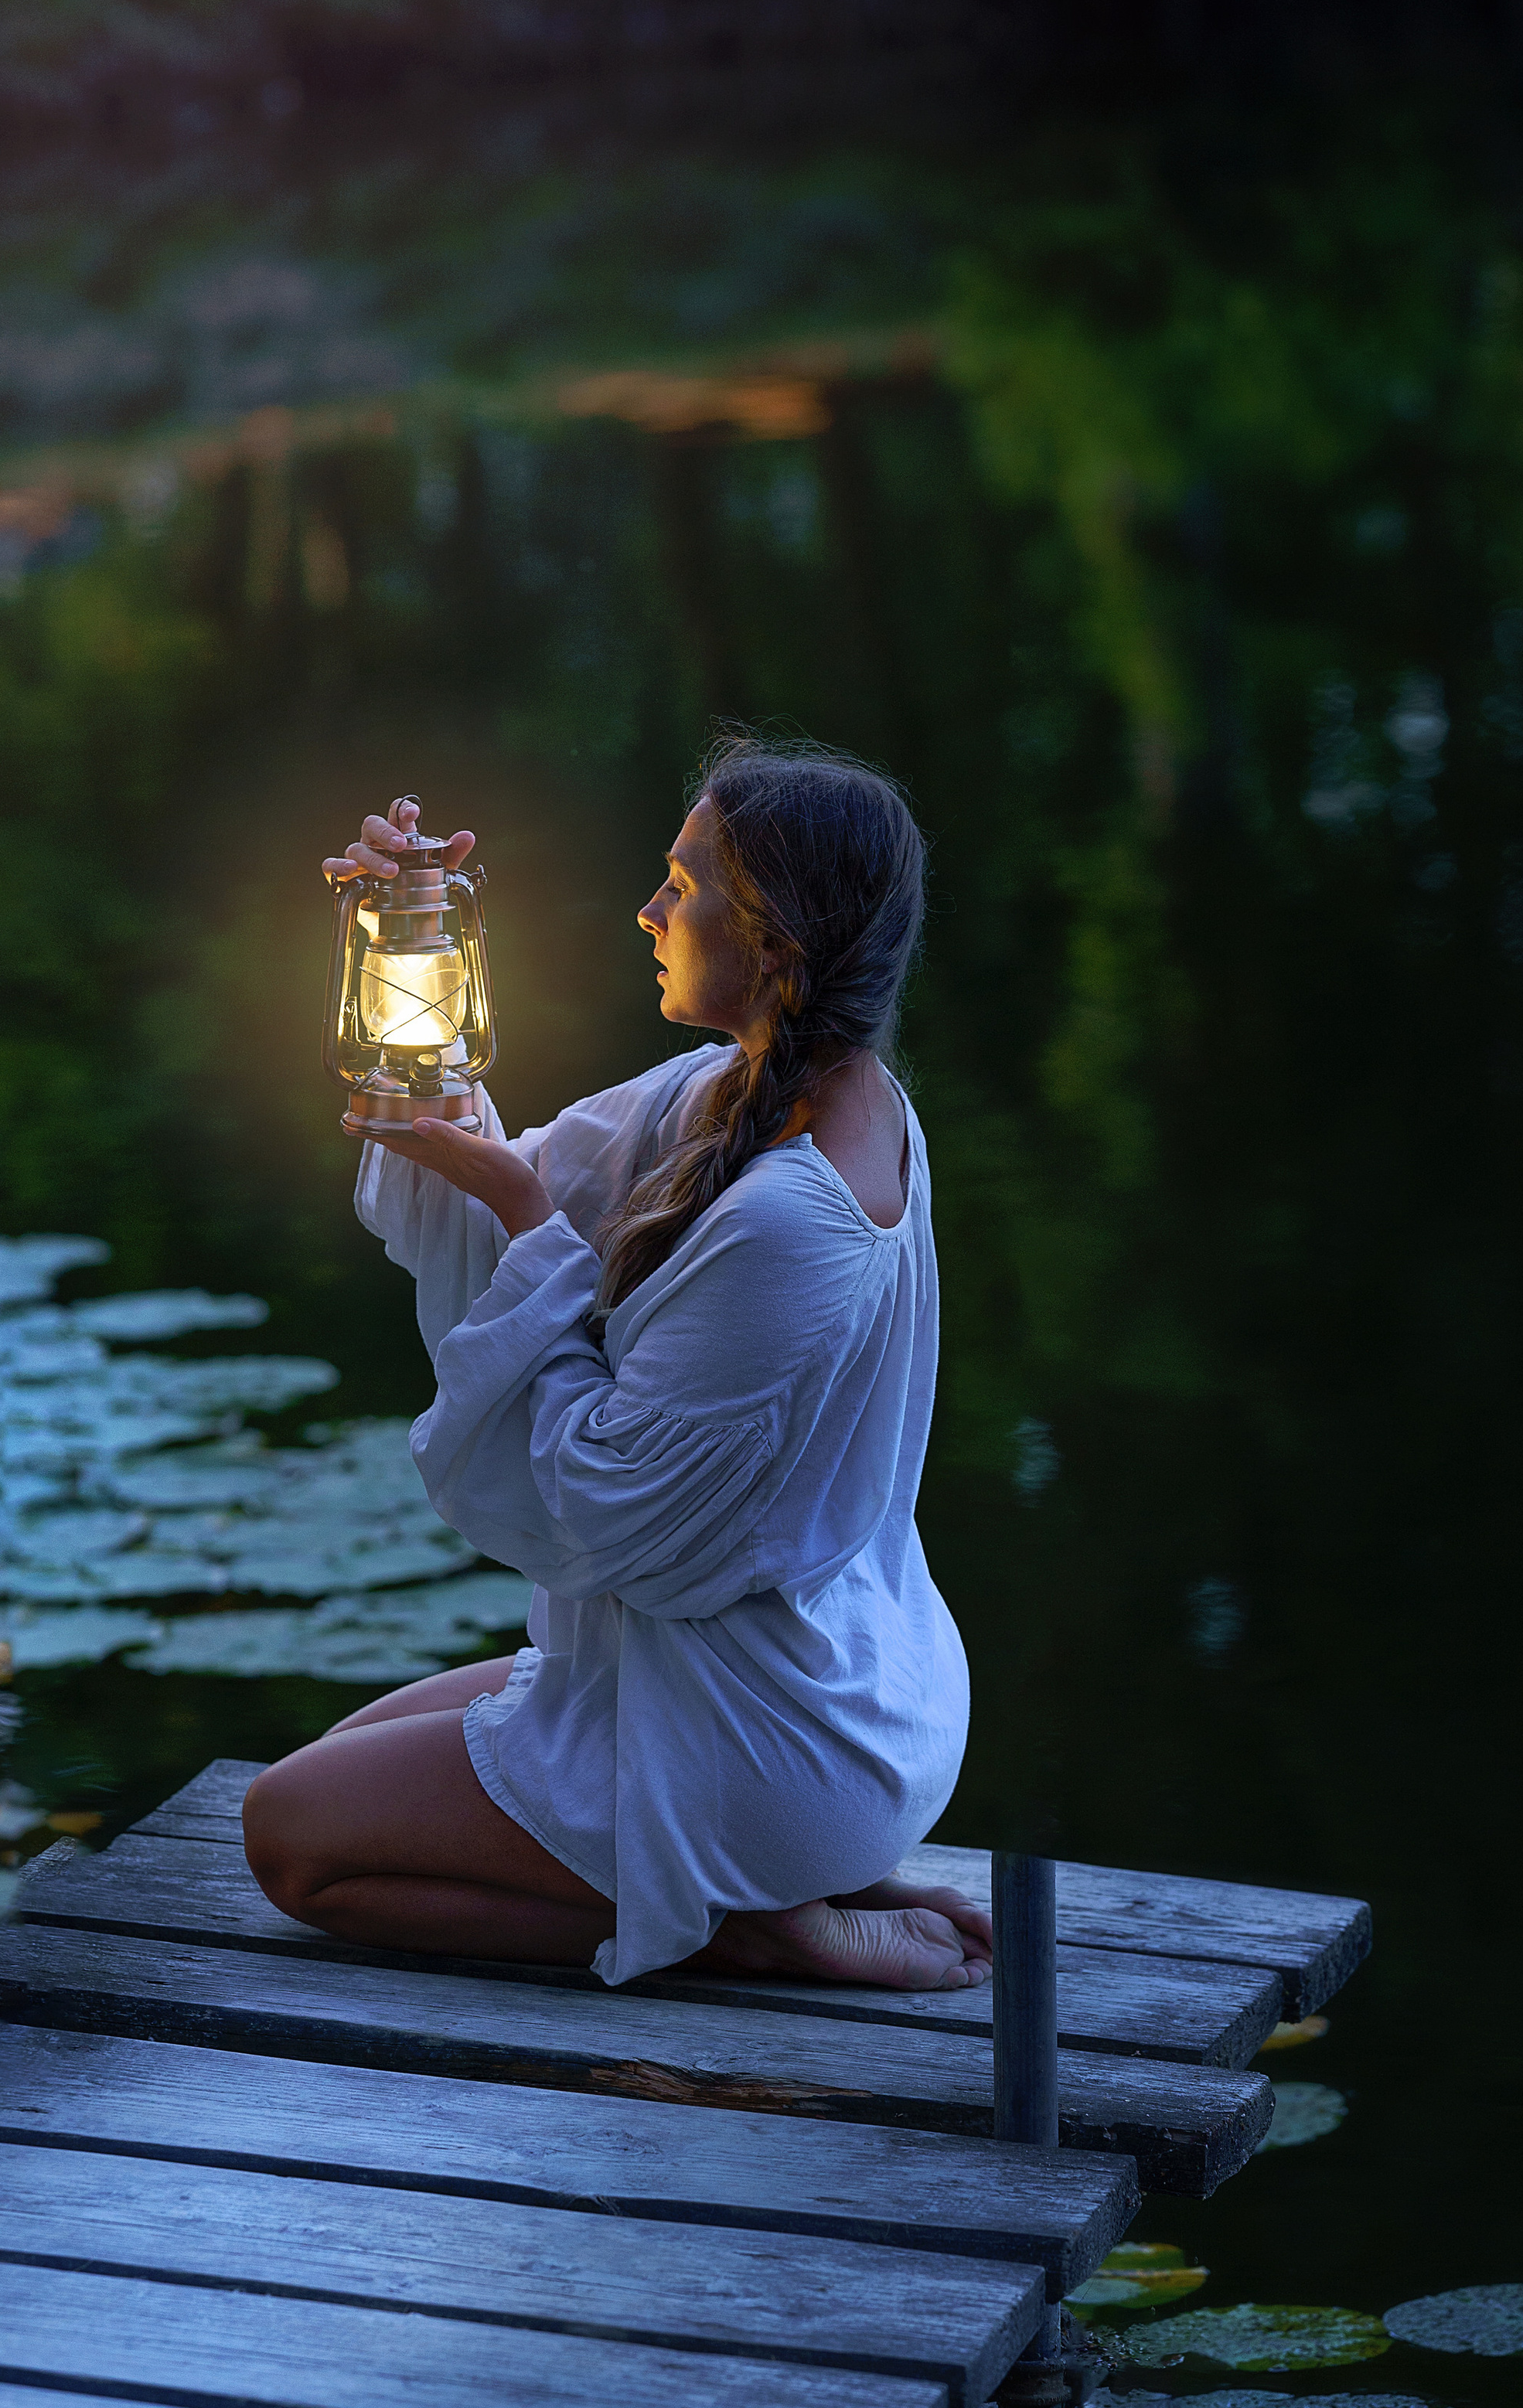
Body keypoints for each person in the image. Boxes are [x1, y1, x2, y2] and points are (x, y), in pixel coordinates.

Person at [243, 736, 988, 1990]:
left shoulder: (791, 1221)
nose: (649, 909)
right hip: (808, 1682)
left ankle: (739, 1923)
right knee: (335, 1760)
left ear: (778, 941)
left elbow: (613, 1506)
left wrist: (532, 1226)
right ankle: (763, 1881)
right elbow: (516, 1190)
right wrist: (404, 955)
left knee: (289, 1842)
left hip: (778, 1738)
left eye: (684, 885)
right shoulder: (759, 1092)